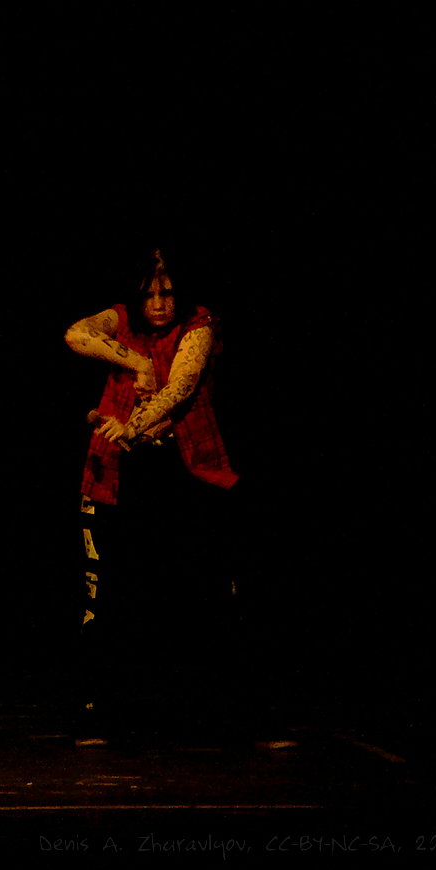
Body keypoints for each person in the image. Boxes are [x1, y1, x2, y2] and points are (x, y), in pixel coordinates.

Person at [62, 248, 273, 747]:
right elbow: (75, 334)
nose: (158, 303)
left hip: (187, 472)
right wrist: (136, 361)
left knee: (211, 591)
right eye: (149, 294)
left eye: (168, 293)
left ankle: (245, 715)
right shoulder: (121, 322)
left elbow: (181, 387)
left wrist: (133, 425)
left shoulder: (198, 325)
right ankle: (104, 713)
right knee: (115, 595)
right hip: (121, 475)